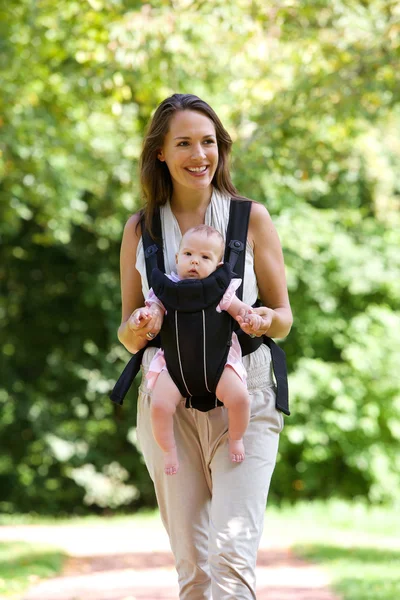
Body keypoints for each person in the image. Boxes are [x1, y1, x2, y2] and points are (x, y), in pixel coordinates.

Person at [118, 93, 293, 600]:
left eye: (209, 142)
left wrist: (263, 320)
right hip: (167, 404)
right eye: (185, 143)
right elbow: (126, 329)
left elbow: (283, 317)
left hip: (246, 395)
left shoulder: (249, 218)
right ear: (161, 154)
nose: (200, 155)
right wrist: (139, 327)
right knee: (194, 570)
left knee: (233, 560)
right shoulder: (141, 229)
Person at [131, 224, 263, 475]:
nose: (195, 262)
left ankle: (236, 438)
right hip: (174, 367)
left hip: (217, 365)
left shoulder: (221, 289)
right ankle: (168, 450)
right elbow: (154, 310)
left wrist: (251, 318)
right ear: (177, 258)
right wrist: (144, 315)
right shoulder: (165, 288)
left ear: (217, 265)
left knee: (240, 398)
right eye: (189, 254)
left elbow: (241, 310)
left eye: (205, 257)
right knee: (158, 406)